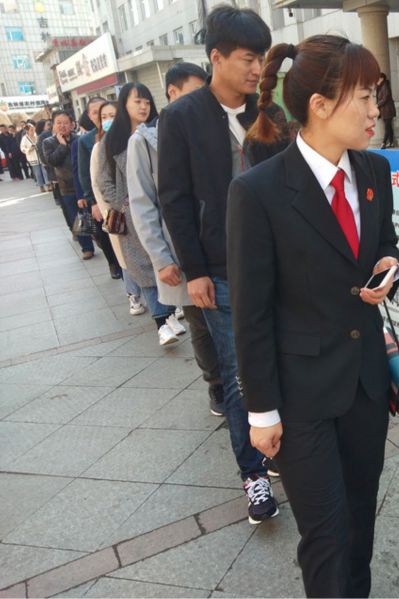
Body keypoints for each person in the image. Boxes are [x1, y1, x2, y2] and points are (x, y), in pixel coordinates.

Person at [228, 35, 399, 597]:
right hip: (301, 397)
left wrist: (390, 269)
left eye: (375, 96)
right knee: (326, 536)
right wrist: (261, 410)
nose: (375, 111)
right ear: (320, 105)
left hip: (365, 386)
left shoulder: (374, 172)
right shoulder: (258, 192)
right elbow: (251, 312)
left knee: (361, 520)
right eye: (364, 97)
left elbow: (386, 246)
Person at [158, 4, 281, 524]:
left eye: (262, 58)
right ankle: (253, 474)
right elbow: (175, 200)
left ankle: (275, 443)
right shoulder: (182, 117)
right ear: (216, 58)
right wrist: (196, 271)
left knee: (278, 361)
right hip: (220, 271)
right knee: (238, 374)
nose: (257, 69)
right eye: (249, 58)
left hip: (274, 267)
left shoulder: (268, 113)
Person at [128, 62, 224, 416]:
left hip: (217, 243)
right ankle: (216, 385)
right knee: (200, 321)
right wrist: (161, 258)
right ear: (172, 93)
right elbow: (143, 203)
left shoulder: (211, 129)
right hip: (180, 248)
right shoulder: (144, 140)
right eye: (195, 92)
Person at [96, 82, 185, 345]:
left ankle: (170, 313)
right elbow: (104, 181)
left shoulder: (159, 131)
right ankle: (161, 322)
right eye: (137, 101)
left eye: (147, 101)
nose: (143, 106)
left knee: (166, 260)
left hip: (163, 208)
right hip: (132, 218)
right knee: (144, 268)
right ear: (124, 104)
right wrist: (123, 204)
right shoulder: (111, 142)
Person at [91, 101, 143, 313]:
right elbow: (98, 181)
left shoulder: (134, 138)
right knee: (126, 254)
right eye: (104, 117)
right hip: (117, 210)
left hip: (139, 205)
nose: (108, 120)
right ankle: (133, 294)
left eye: (112, 115)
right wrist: (112, 208)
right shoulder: (99, 146)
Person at [73, 99, 124, 279]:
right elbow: (85, 174)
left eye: (111, 114)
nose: (105, 118)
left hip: (123, 195)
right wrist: (92, 201)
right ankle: (113, 264)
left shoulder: (126, 134)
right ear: (90, 116)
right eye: (97, 113)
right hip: (101, 197)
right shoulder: (87, 140)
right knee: (107, 232)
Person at [42, 111, 96, 259]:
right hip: (67, 187)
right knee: (77, 218)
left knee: (91, 214)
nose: (62, 126)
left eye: (65, 122)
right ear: (53, 125)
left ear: (72, 124)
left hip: (84, 184)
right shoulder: (48, 142)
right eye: (58, 123)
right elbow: (52, 161)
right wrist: (62, 145)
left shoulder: (80, 140)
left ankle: (96, 237)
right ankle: (87, 248)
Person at [20, 124, 46, 192]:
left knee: (45, 171)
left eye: (33, 129)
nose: (33, 131)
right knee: (38, 173)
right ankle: (41, 186)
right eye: (31, 130)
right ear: (27, 131)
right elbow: (22, 148)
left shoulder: (37, 136)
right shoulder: (24, 138)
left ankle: (48, 185)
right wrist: (29, 149)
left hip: (41, 156)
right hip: (33, 157)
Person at [376, 72, 396, 149]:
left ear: (382, 78)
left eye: (377, 78)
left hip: (388, 110)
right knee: (389, 127)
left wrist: (377, 105)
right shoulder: (381, 86)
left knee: (387, 127)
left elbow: (385, 98)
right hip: (385, 110)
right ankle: (391, 142)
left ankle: (384, 142)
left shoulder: (385, 86)